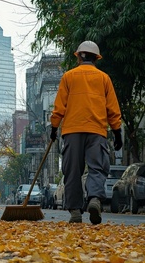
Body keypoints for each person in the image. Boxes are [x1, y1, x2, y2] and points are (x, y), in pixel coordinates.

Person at [50, 40, 123, 224]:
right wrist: (117, 132)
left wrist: (53, 128)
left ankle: (75, 211)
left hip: (72, 131)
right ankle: (94, 199)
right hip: (96, 131)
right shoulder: (104, 78)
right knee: (97, 168)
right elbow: (113, 109)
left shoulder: (69, 77)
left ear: (79, 57)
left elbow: (59, 107)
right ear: (96, 58)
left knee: (72, 171)